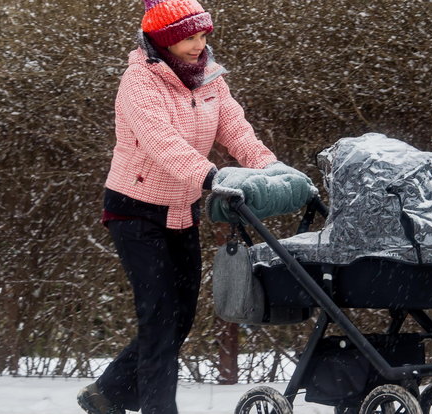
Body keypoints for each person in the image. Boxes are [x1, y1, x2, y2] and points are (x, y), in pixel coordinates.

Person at [76, 1, 311, 413]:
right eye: (189, 37)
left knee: (180, 317)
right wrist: (211, 178)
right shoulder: (139, 81)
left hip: (182, 211)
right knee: (160, 318)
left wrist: (273, 168)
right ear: (164, 39)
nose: (198, 46)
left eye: (203, 36)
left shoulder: (209, 78)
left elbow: (235, 129)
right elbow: (162, 143)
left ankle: (108, 392)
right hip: (135, 211)